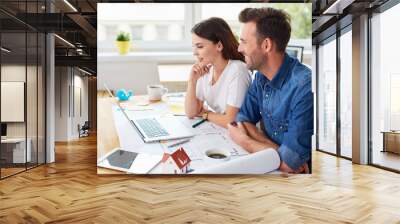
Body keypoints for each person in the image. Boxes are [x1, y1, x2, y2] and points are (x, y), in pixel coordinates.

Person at [227, 8, 313, 173]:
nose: (239, 49)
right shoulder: (260, 77)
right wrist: (279, 152)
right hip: (274, 170)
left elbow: (289, 166)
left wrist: (243, 139)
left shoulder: (304, 87)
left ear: (266, 45)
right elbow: (243, 121)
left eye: (244, 42)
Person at [185, 17, 251, 128]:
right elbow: (191, 112)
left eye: (200, 46)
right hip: (223, 131)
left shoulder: (237, 70)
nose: (194, 53)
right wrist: (192, 81)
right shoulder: (206, 70)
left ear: (219, 46)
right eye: (194, 47)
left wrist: (205, 114)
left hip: (244, 133)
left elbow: (230, 120)